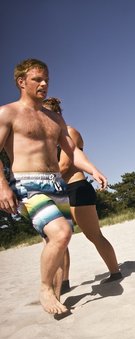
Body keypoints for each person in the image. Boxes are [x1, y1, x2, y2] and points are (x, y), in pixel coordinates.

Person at [0, 59, 107, 315]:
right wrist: (2, 186)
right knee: (60, 233)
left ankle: (57, 298)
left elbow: (72, 151)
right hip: (27, 184)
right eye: (37, 79)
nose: (44, 84)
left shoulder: (54, 118)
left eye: (46, 79)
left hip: (56, 185)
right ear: (21, 82)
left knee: (57, 242)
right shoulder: (8, 113)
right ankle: (45, 288)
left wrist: (92, 169)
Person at [42, 97, 122, 294]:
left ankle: (115, 272)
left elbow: (65, 165)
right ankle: (65, 282)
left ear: (55, 114)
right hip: (57, 190)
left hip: (76, 187)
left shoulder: (70, 132)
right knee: (58, 239)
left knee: (93, 235)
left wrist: (40, 179)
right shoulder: (47, 137)